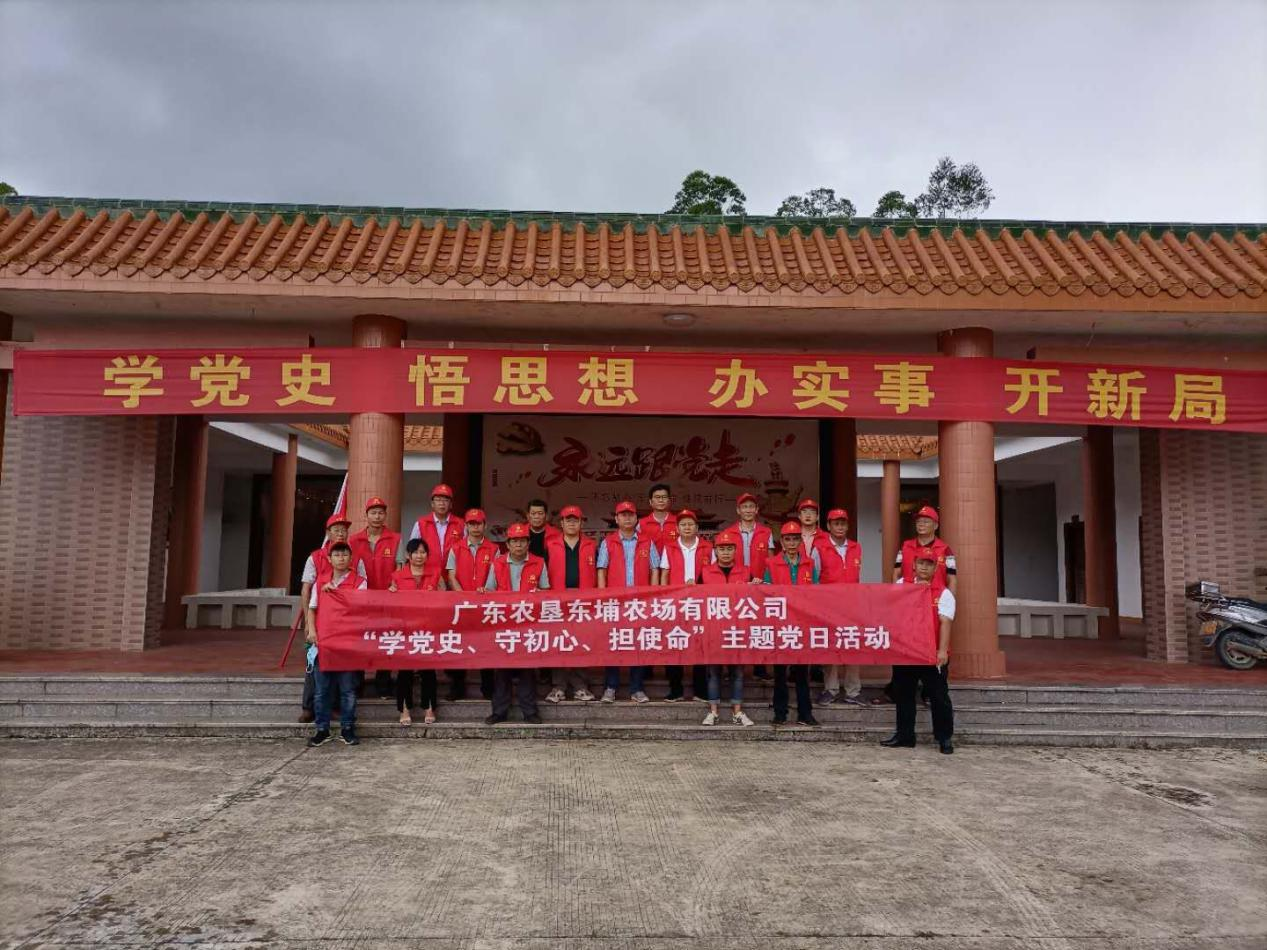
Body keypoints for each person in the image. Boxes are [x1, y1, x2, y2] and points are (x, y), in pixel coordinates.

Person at [876, 504, 957, 707]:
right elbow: (896, 572)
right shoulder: (905, 546)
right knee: (904, 648)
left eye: (926, 521)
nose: (921, 524)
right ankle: (896, 690)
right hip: (908, 606)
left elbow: (952, 577)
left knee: (933, 645)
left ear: (935, 525)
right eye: (919, 521)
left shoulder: (945, 549)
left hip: (934, 603)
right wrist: (896, 599)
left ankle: (930, 692)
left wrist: (949, 601)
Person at [882, 546, 955, 754]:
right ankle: (905, 736)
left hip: (932, 654)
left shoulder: (944, 593)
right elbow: (891, 612)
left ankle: (944, 738)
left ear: (935, 568)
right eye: (921, 563)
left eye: (929, 564)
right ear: (913, 565)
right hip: (907, 652)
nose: (924, 567)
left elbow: (945, 622)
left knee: (939, 697)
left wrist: (942, 651)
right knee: (903, 695)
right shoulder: (901, 586)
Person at [297, 512, 363, 723]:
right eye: (336, 530)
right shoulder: (315, 557)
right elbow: (306, 589)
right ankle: (308, 707)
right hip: (320, 622)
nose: (341, 533)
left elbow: (362, 593)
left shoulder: (354, 558)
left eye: (344, 530)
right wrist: (309, 624)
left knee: (342, 666)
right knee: (313, 664)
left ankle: (335, 706)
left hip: (345, 626)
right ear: (328, 532)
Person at [596, 499, 660, 703]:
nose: (627, 518)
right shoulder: (608, 542)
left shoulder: (647, 541)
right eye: (623, 515)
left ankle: (637, 688)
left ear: (636, 518)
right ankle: (610, 687)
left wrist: (653, 595)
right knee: (614, 642)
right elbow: (601, 570)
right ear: (616, 519)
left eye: (630, 515)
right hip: (615, 602)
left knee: (639, 644)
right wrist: (602, 597)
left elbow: (655, 569)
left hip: (640, 602)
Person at [484, 523, 547, 724]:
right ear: (508, 544)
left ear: (528, 543)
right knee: (502, 668)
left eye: (522, 541)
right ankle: (499, 711)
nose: (518, 545)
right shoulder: (497, 563)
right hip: (504, 623)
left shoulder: (539, 562)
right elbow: (489, 592)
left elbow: (547, 591)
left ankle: (529, 711)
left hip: (528, 622)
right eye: (514, 541)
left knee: (527, 668)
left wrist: (540, 594)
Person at [306, 541, 367, 747]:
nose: (341, 558)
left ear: (351, 559)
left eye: (344, 555)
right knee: (322, 690)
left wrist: (338, 594)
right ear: (329, 559)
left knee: (348, 690)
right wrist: (312, 631)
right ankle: (322, 729)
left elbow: (361, 607)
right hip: (324, 642)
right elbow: (312, 609)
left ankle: (347, 728)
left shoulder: (360, 582)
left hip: (347, 643)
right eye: (337, 555)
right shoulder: (320, 582)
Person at [763, 522, 820, 728]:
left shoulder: (809, 563)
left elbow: (816, 592)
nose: (792, 543)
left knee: (802, 673)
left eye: (795, 539)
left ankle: (805, 713)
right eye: (788, 539)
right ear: (782, 542)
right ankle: (780, 713)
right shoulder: (772, 563)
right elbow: (767, 593)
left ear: (800, 541)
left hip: (802, 624)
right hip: (780, 623)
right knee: (780, 673)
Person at [697, 530, 755, 727]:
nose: (726, 552)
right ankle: (713, 712)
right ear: (716, 551)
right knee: (713, 672)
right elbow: (697, 600)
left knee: (737, 672)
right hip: (714, 629)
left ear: (735, 551)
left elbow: (755, 599)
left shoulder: (746, 572)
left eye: (729, 548)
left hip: (738, 629)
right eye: (722, 549)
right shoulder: (706, 572)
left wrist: (756, 585)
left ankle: (737, 712)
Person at [350, 496, 403, 699]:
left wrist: (395, 585)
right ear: (366, 515)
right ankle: (357, 684)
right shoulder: (354, 540)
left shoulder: (395, 539)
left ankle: (383, 685)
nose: (377, 516)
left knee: (385, 640)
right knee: (360, 641)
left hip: (387, 600)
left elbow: (399, 568)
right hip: (361, 601)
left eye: (381, 513)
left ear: (385, 515)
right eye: (373, 512)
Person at [444, 508, 499, 702]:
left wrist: (485, 594)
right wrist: (463, 597)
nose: (475, 527)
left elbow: (496, 575)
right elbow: (451, 575)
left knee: (486, 646)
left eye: (479, 524)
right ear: (466, 526)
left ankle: (488, 689)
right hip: (461, 605)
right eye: (471, 524)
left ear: (485, 525)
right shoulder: (456, 548)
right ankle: (457, 687)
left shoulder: (494, 549)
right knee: (460, 645)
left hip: (486, 605)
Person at [543, 505, 597, 703]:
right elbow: (542, 571)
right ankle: (558, 686)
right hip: (557, 601)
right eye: (568, 520)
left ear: (582, 523)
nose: (572, 523)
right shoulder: (550, 544)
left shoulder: (592, 545)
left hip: (584, 601)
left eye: (576, 520)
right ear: (562, 523)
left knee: (581, 642)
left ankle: (580, 686)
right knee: (558, 642)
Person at [657, 508, 711, 702]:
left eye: (690, 524)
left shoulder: (707, 547)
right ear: (677, 528)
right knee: (675, 643)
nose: (687, 527)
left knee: (700, 644)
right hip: (675, 602)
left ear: (696, 527)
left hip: (700, 603)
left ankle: (700, 690)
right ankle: (676, 690)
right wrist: (664, 598)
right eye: (683, 525)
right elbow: (664, 573)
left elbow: (712, 574)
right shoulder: (670, 547)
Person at [815, 508, 867, 708]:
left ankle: (853, 690)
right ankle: (831, 689)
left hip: (852, 605)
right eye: (836, 523)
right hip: (828, 606)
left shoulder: (856, 547)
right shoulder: (819, 548)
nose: (839, 527)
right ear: (828, 526)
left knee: (852, 644)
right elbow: (815, 578)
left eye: (843, 523)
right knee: (831, 646)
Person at [720, 491, 774, 681]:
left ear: (757, 510)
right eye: (744, 507)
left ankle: (760, 668)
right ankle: (731, 668)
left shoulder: (766, 532)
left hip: (759, 584)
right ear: (738, 510)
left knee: (760, 625)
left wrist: (767, 581)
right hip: (735, 585)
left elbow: (770, 560)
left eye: (751, 506)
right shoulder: (728, 532)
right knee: (733, 625)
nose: (748, 510)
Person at [389, 538, 441, 726]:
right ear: (408, 555)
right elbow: (391, 604)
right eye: (416, 552)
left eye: (423, 552)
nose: (419, 556)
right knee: (405, 671)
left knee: (429, 671)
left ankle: (429, 707)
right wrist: (391, 593)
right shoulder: (397, 576)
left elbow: (445, 598)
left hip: (429, 628)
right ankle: (404, 709)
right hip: (406, 630)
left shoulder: (436, 574)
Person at [411, 483, 464, 585]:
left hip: (455, 578)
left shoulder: (461, 524)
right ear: (432, 504)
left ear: (451, 504)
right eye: (438, 500)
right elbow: (412, 551)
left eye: (445, 500)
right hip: (428, 577)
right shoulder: (421, 524)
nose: (442, 503)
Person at [638, 483, 677, 549]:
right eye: (657, 497)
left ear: (669, 501)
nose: (661, 500)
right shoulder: (641, 524)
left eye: (664, 497)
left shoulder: (678, 522)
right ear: (650, 501)